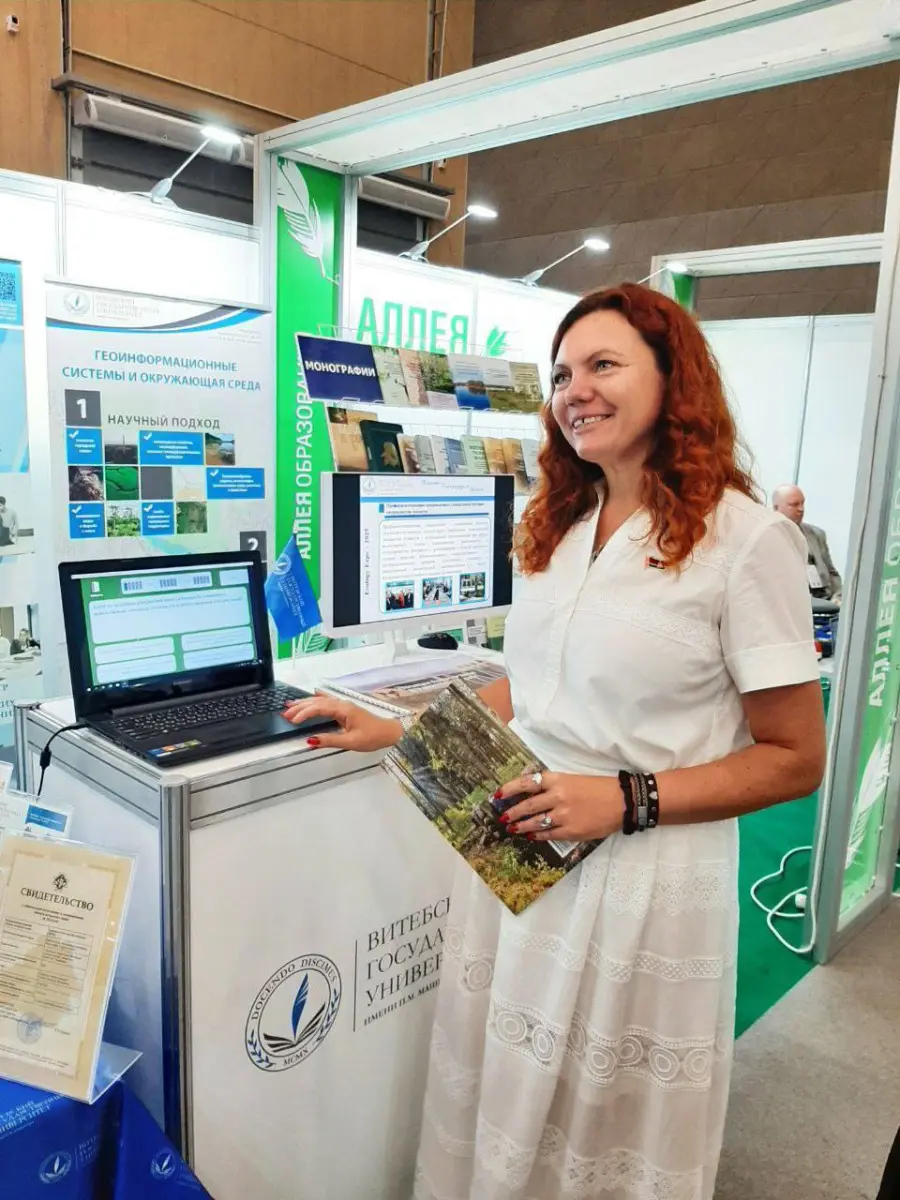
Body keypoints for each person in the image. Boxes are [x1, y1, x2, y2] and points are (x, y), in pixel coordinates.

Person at [285, 284, 826, 1200]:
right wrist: (401, 729)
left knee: (596, 1118)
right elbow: (535, 690)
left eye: (603, 365)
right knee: (502, 1089)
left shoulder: (746, 541)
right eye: (563, 374)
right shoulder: (560, 522)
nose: (576, 391)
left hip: (642, 880)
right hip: (520, 859)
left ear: (674, 378)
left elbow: (794, 756)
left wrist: (624, 799)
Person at [772, 484, 842, 600]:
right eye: (794, 505)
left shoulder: (816, 534)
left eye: (802, 503)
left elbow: (832, 572)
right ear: (776, 508)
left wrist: (838, 598)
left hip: (824, 599)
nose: (801, 509)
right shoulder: (768, 536)